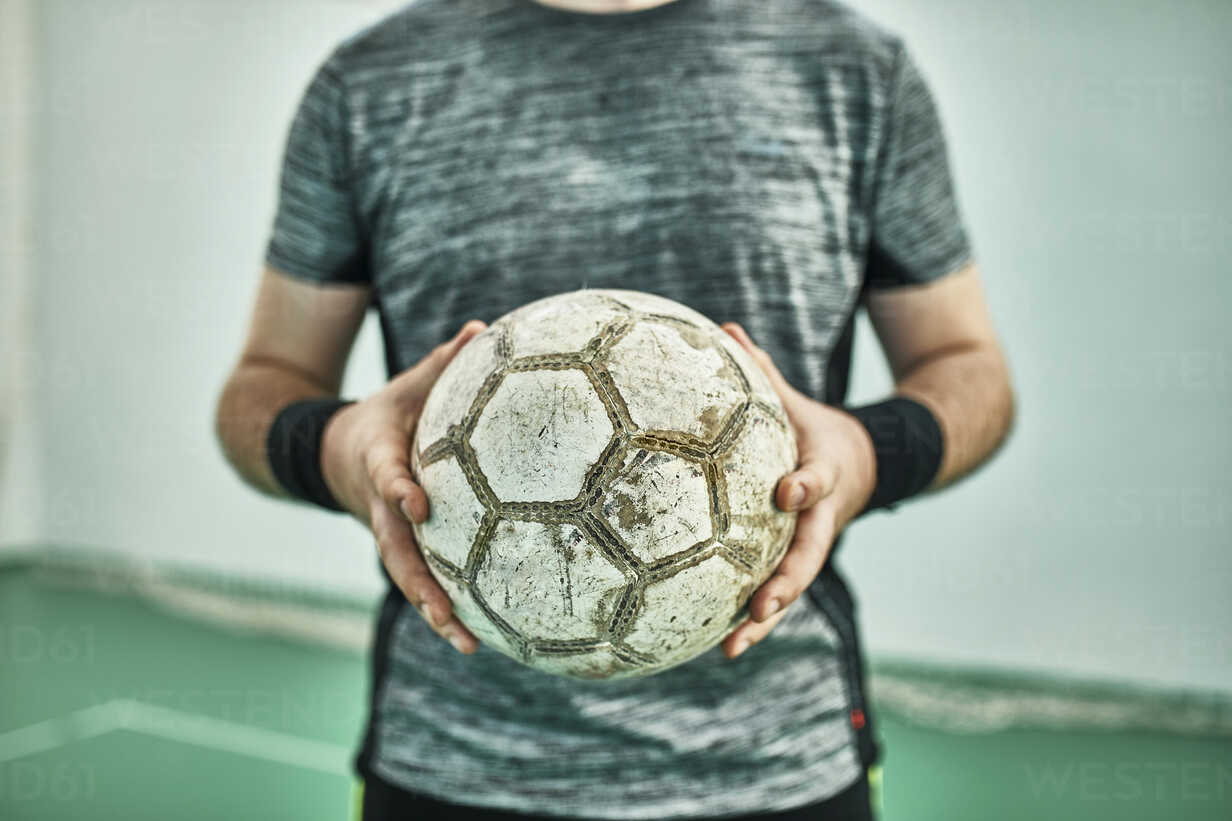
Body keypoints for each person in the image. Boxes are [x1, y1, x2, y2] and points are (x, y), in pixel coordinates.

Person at [214, 0, 1015, 818]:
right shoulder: (371, 83)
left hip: (775, 763)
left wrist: (866, 453)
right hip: (454, 759)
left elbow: (967, 368)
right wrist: (340, 447)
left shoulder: (857, 73)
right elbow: (266, 381)